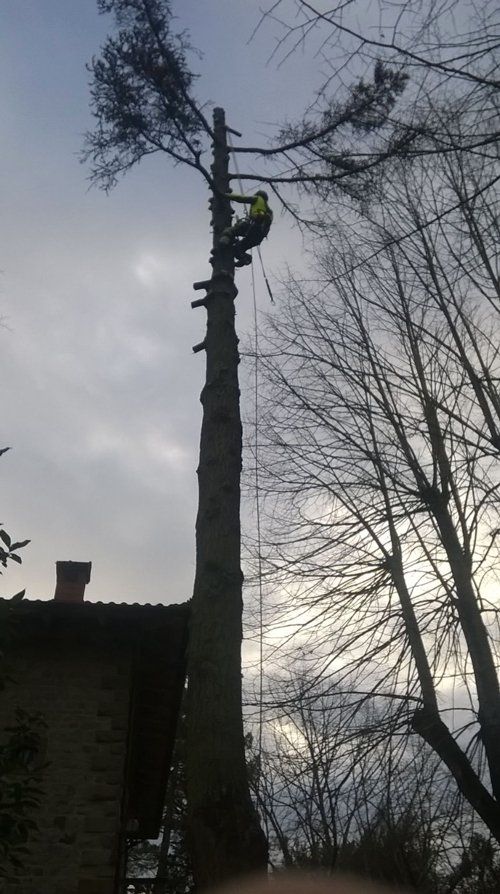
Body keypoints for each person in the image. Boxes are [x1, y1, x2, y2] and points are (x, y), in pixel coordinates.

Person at [219, 190, 273, 266]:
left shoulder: (257, 198)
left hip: (253, 226)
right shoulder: (269, 211)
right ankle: (245, 258)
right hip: (258, 237)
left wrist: (226, 195)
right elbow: (267, 223)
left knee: (231, 230)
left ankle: (224, 241)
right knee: (239, 248)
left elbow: (240, 198)